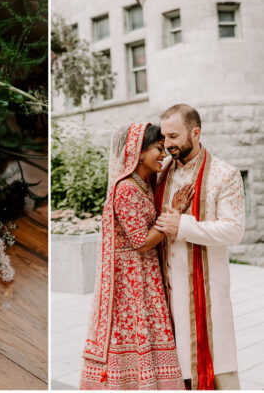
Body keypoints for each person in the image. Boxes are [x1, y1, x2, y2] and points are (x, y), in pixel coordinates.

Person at [80, 123, 191, 389]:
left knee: (147, 333)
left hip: (143, 274)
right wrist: (173, 213)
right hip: (130, 280)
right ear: (138, 152)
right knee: (134, 332)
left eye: (164, 149)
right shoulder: (126, 189)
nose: (163, 155)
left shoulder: (143, 185)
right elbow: (141, 242)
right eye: (158, 149)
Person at [154, 104, 245, 390]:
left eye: (174, 136)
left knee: (219, 369)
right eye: (164, 137)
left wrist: (182, 227)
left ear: (195, 132)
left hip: (207, 291)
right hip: (167, 290)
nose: (168, 144)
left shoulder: (224, 174)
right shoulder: (161, 174)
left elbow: (234, 230)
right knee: (176, 368)